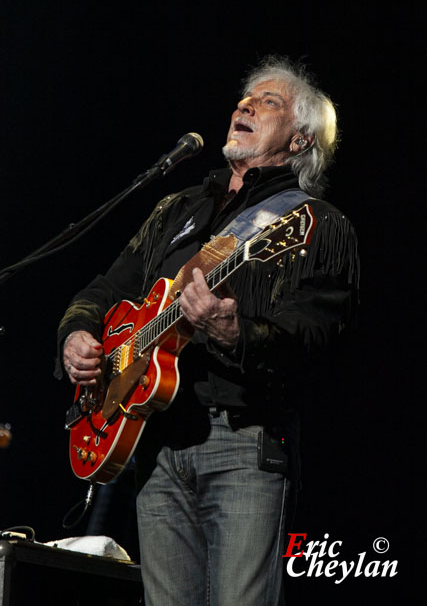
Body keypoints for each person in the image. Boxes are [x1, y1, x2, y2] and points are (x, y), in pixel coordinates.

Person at [56, 55, 359, 605]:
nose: (245, 105)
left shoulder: (314, 224)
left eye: (269, 102)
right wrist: (77, 335)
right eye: (246, 98)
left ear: (301, 141)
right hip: (155, 445)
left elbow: (322, 342)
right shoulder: (178, 208)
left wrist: (232, 329)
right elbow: (103, 291)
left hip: (242, 442)